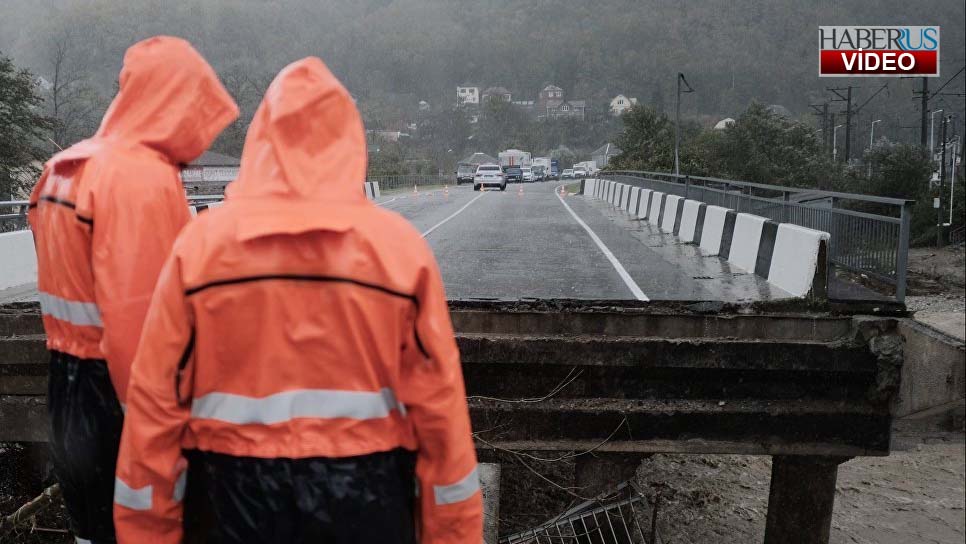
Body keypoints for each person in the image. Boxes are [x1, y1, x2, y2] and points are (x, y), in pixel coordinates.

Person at [113, 57, 482, 544]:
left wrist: (146, 532)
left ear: (260, 140)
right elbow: (441, 416)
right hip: (366, 499)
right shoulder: (399, 251)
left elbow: (155, 407)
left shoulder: (200, 248)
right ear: (350, 140)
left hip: (229, 499)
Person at [27, 36, 238, 543]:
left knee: (92, 529)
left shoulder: (63, 169)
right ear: (174, 104)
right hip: (121, 397)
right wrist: (173, 434)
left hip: (67, 389)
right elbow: (144, 326)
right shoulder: (140, 179)